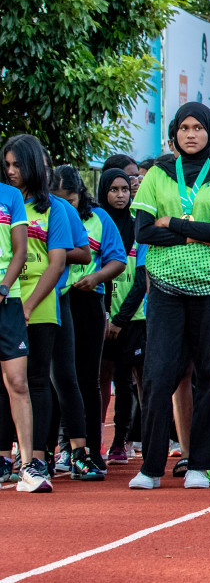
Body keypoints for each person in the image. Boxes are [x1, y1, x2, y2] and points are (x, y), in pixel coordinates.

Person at [128, 103, 210, 489]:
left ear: (209, 132)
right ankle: (150, 467)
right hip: (164, 288)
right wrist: (196, 230)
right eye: (184, 128)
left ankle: (198, 465)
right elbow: (143, 232)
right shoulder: (157, 175)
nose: (191, 134)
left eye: (199, 128)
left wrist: (172, 223)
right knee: (158, 374)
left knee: (209, 375)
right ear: (174, 133)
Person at [54, 164, 126, 474]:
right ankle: (52, 451)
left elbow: (118, 260)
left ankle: (91, 452)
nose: (62, 205)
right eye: (55, 198)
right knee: (54, 378)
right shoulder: (46, 214)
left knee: (87, 378)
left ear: (80, 195)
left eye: (68, 199)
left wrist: (95, 277)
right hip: (54, 299)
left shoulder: (99, 218)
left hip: (88, 302)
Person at [0, 136, 55, 491]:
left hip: (8, 302)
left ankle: (28, 466)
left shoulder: (11, 197)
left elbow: (20, 252)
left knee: (19, 383)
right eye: (7, 165)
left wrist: (4, 288)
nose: (10, 171)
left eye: (15, 164)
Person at [98, 168, 145, 465]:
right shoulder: (96, 225)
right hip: (100, 317)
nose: (120, 195)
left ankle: (121, 441)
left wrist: (120, 319)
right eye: (114, 189)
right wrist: (104, 316)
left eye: (125, 189)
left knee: (127, 379)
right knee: (100, 378)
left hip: (133, 318)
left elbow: (142, 281)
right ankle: (94, 438)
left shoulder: (137, 228)